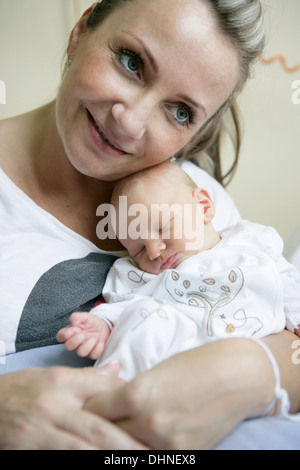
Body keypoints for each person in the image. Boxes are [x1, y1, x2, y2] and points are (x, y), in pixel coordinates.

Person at [0, 0, 299, 451]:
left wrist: (253, 371)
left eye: (180, 112)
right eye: (131, 62)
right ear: (81, 30)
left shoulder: (196, 195)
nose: (130, 122)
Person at [57, 160, 300, 383]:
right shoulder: (142, 275)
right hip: (180, 355)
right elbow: (128, 306)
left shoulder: (251, 241)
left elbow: (287, 281)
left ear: (203, 206)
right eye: (139, 249)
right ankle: (108, 384)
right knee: (144, 313)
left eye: (163, 228)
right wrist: (104, 324)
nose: (154, 251)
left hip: (251, 352)